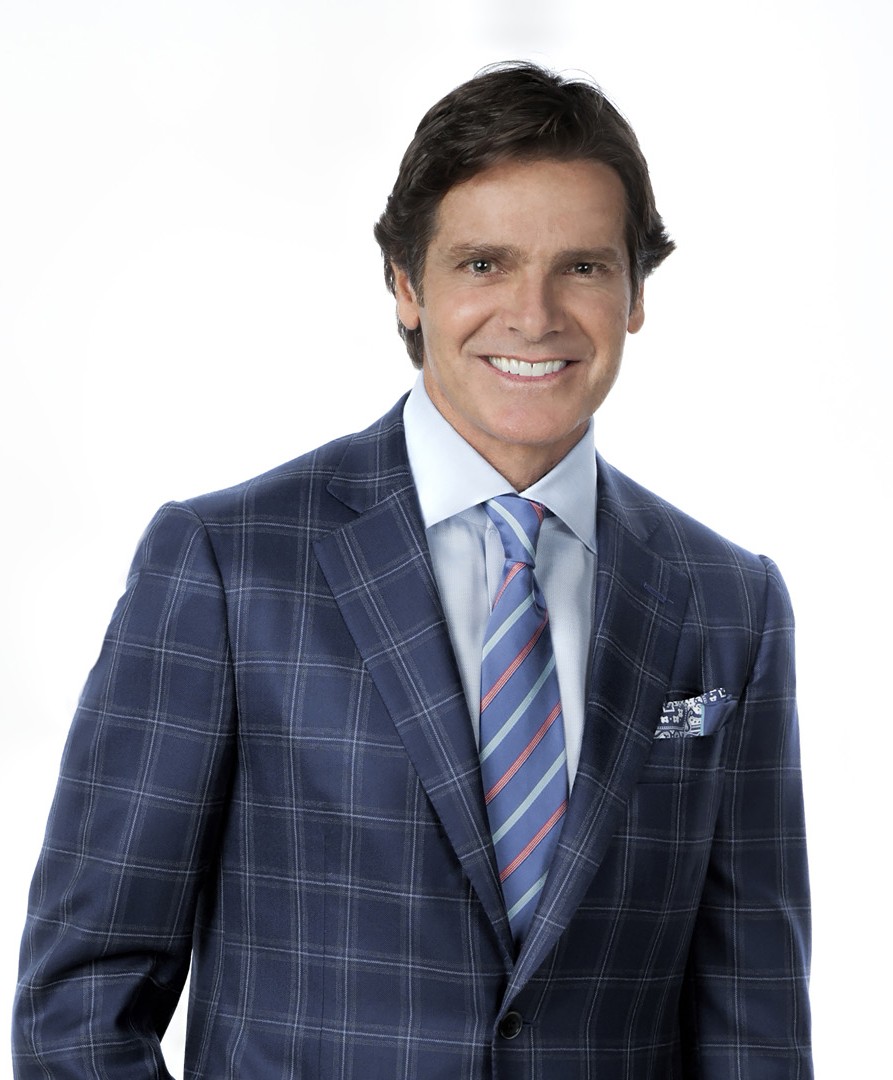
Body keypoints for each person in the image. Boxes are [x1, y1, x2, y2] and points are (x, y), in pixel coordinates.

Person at [13, 62, 812, 1078]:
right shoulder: (228, 566)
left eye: (581, 266)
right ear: (404, 285)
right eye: (483, 264)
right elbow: (81, 1007)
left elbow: (755, 1024)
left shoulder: (728, 603)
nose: (533, 314)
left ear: (634, 295)